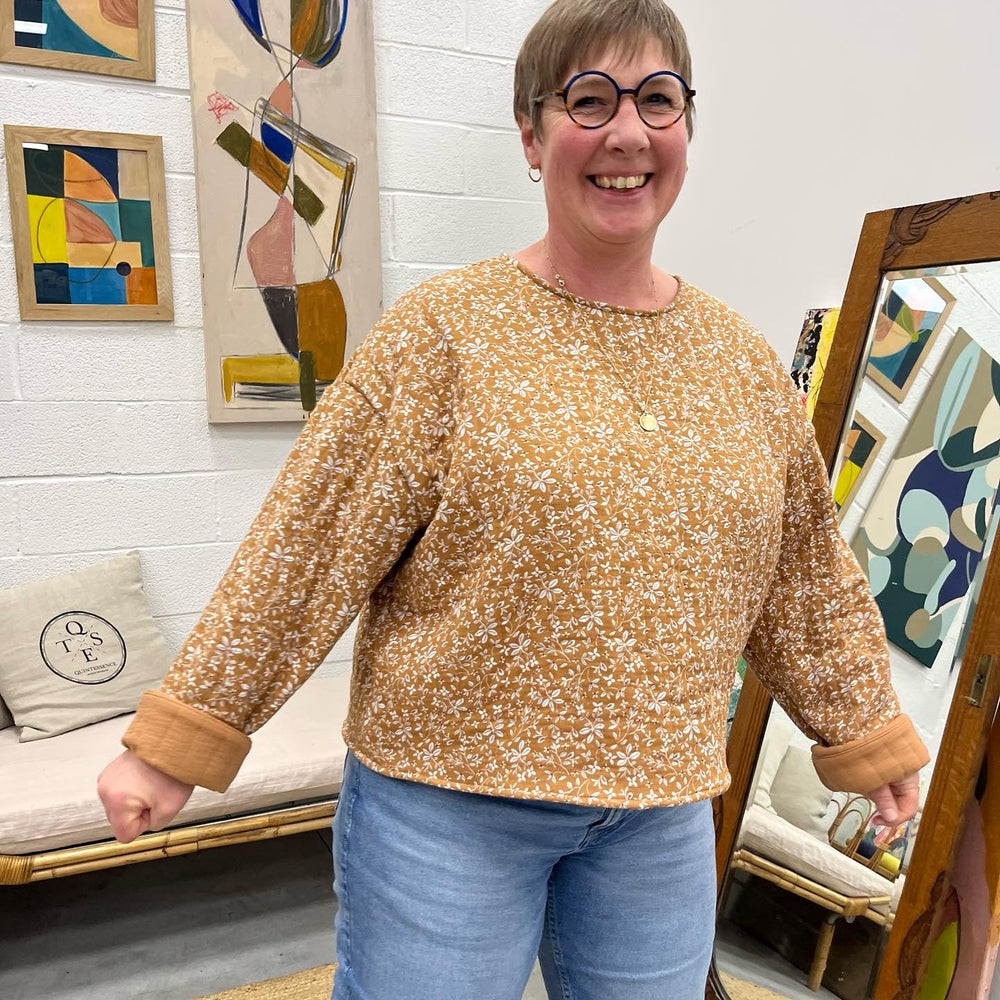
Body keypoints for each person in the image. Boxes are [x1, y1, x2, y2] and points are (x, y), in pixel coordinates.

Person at [98, 1, 930, 997]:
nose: (627, 132)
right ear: (532, 138)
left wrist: (862, 730)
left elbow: (802, 576)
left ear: (686, 129)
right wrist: (182, 739)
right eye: (590, 100)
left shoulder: (740, 363)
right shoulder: (445, 333)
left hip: (659, 813)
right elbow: (308, 544)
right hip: (445, 806)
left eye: (657, 100)